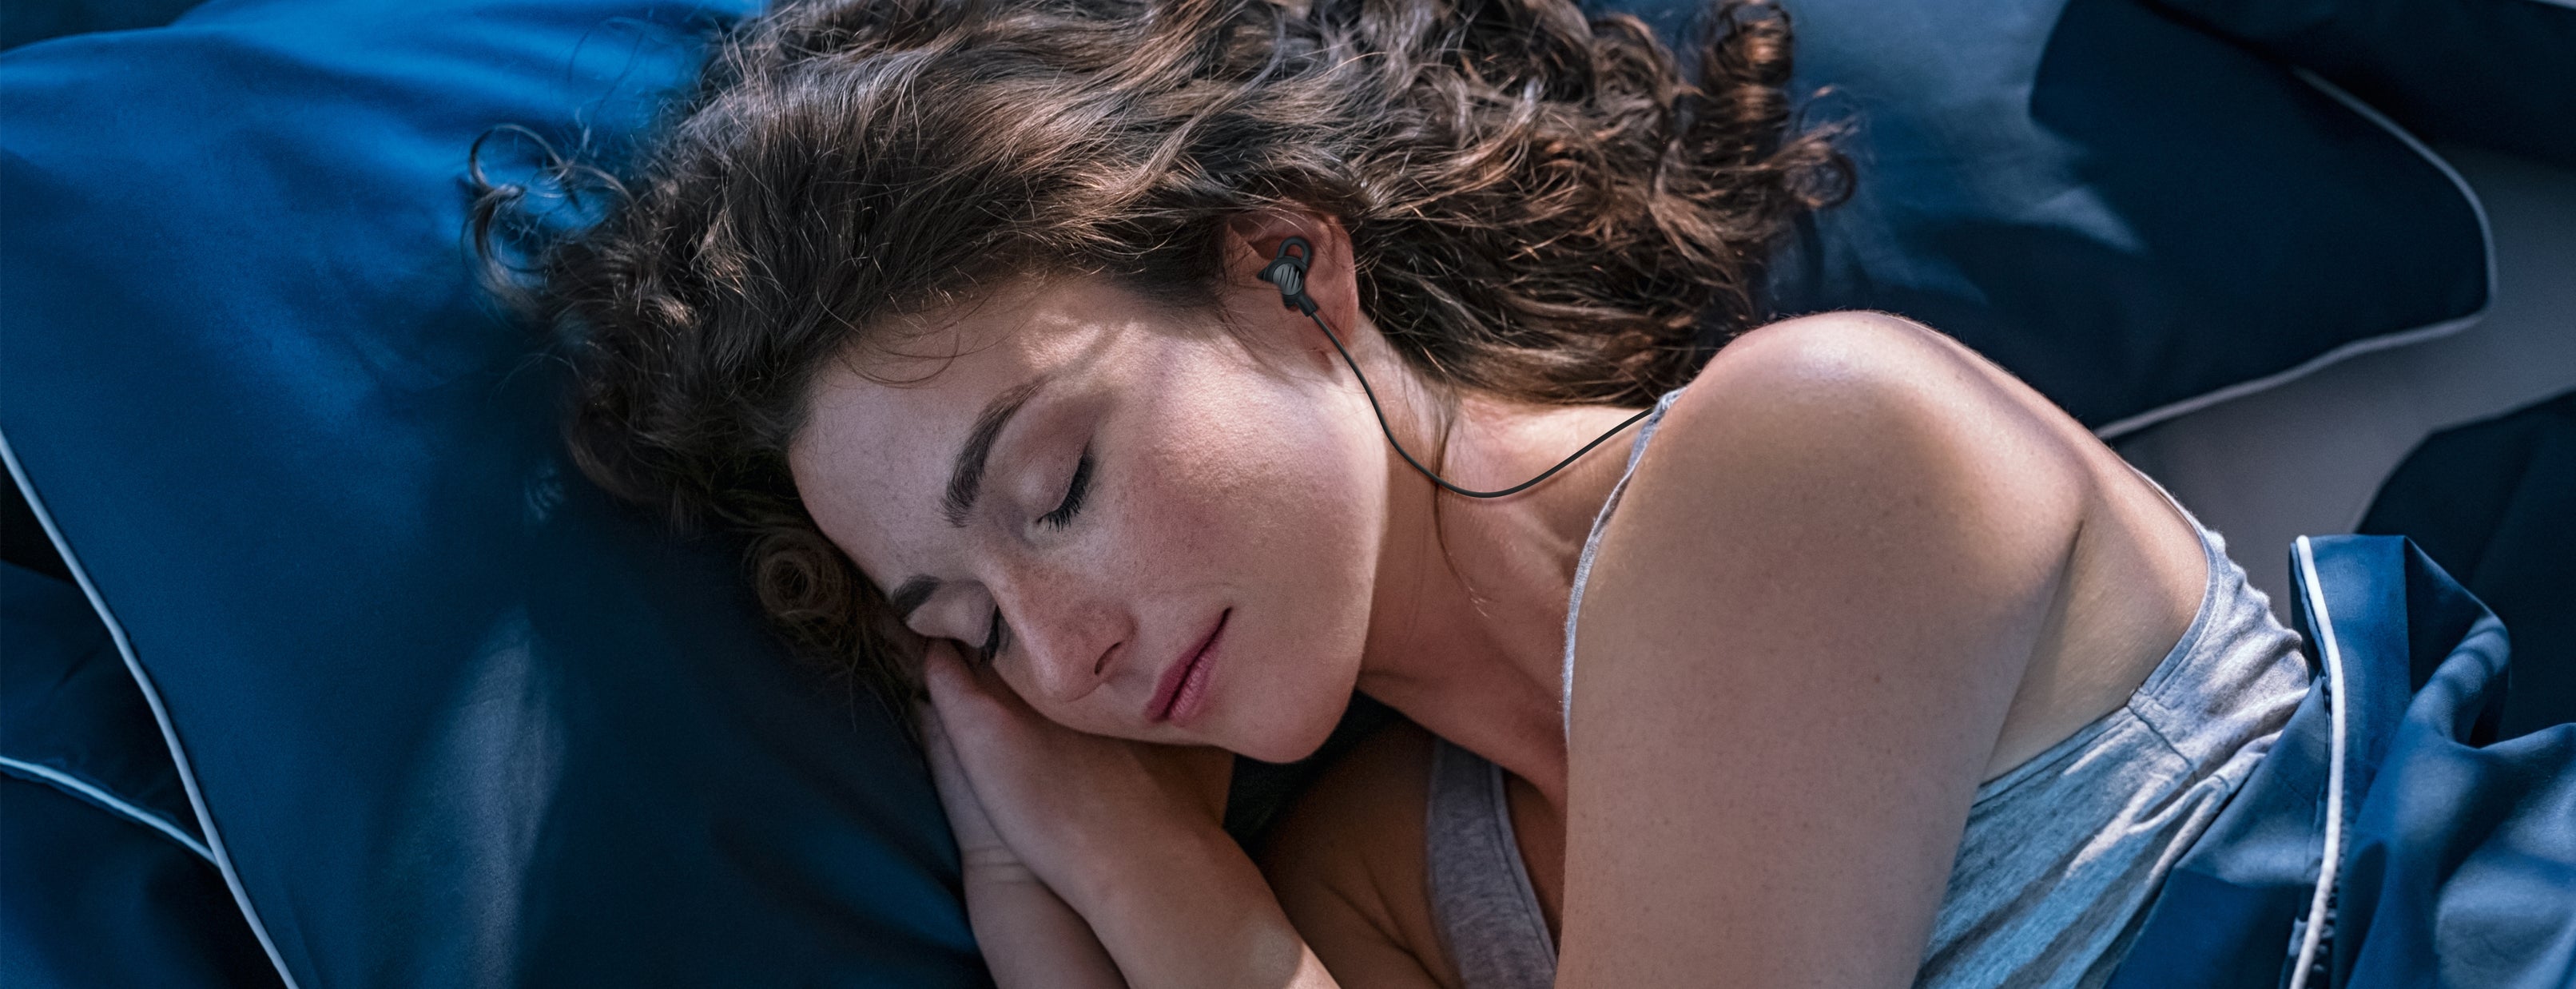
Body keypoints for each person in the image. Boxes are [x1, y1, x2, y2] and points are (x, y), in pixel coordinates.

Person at [477, 0, 2314, 984]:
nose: (1061, 652)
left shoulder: (1808, 453)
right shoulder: (1385, 887)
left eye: (1056, 486)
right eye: (962, 625)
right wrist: (1024, 874)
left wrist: (1139, 872)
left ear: (1287, 269)